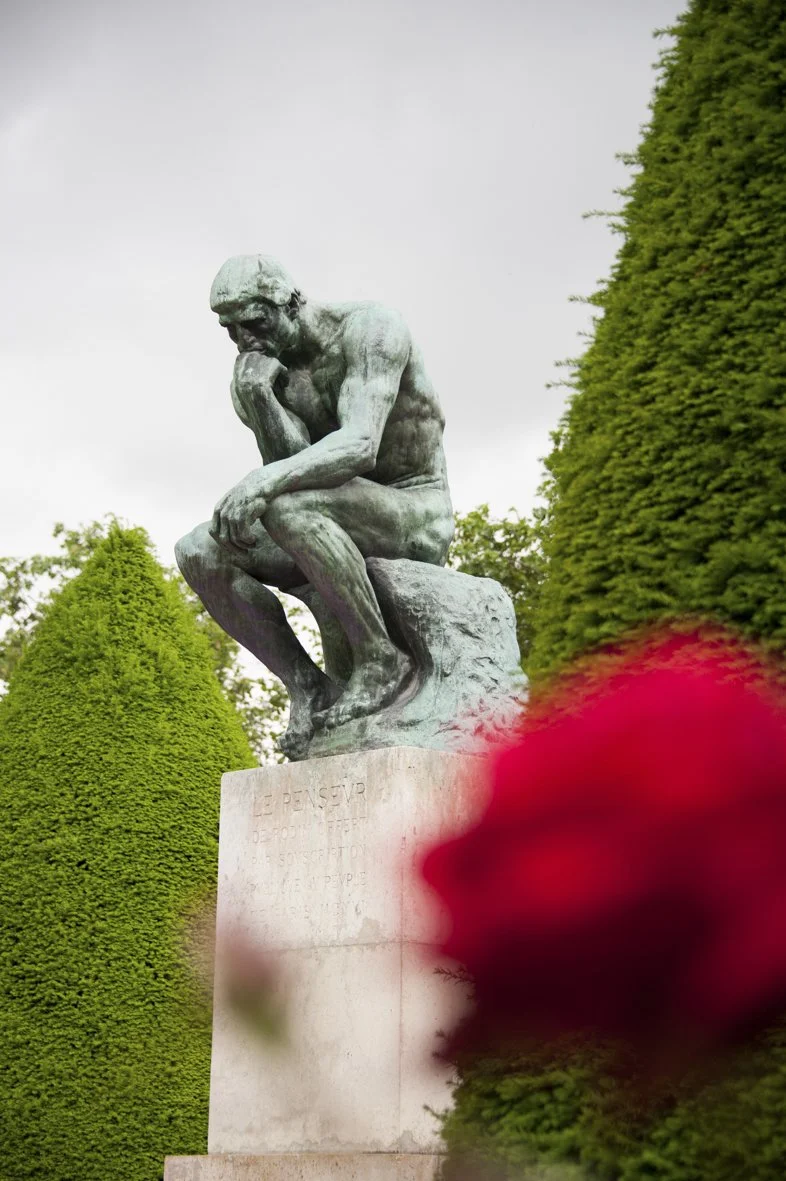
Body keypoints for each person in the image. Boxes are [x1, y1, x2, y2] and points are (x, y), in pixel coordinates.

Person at [176, 255, 454, 758]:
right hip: (328, 512)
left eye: (254, 322)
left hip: (412, 509)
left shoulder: (370, 329)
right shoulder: (256, 376)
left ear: (291, 302)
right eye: (230, 330)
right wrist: (260, 399)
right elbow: (292, 464)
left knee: (287, 507)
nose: (244, 340)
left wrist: (262, 482)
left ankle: (381, 660)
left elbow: (361, 444)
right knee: (199, 550)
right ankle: (307, 685)